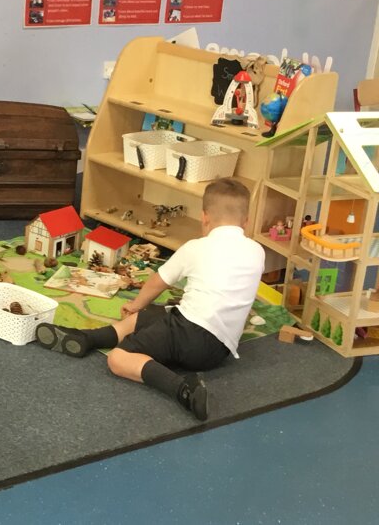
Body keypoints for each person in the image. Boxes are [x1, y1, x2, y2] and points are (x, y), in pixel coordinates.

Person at [35, 178, 265, 421]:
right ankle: (89, 338)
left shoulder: (196, 248)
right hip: (218, 351)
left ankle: (182, 389)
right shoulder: (257, 252)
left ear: (204, 218)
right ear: (246, 222)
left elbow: (158, 282)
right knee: (153, 315)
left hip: (187, 333)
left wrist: (135, 304)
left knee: (118, 358)